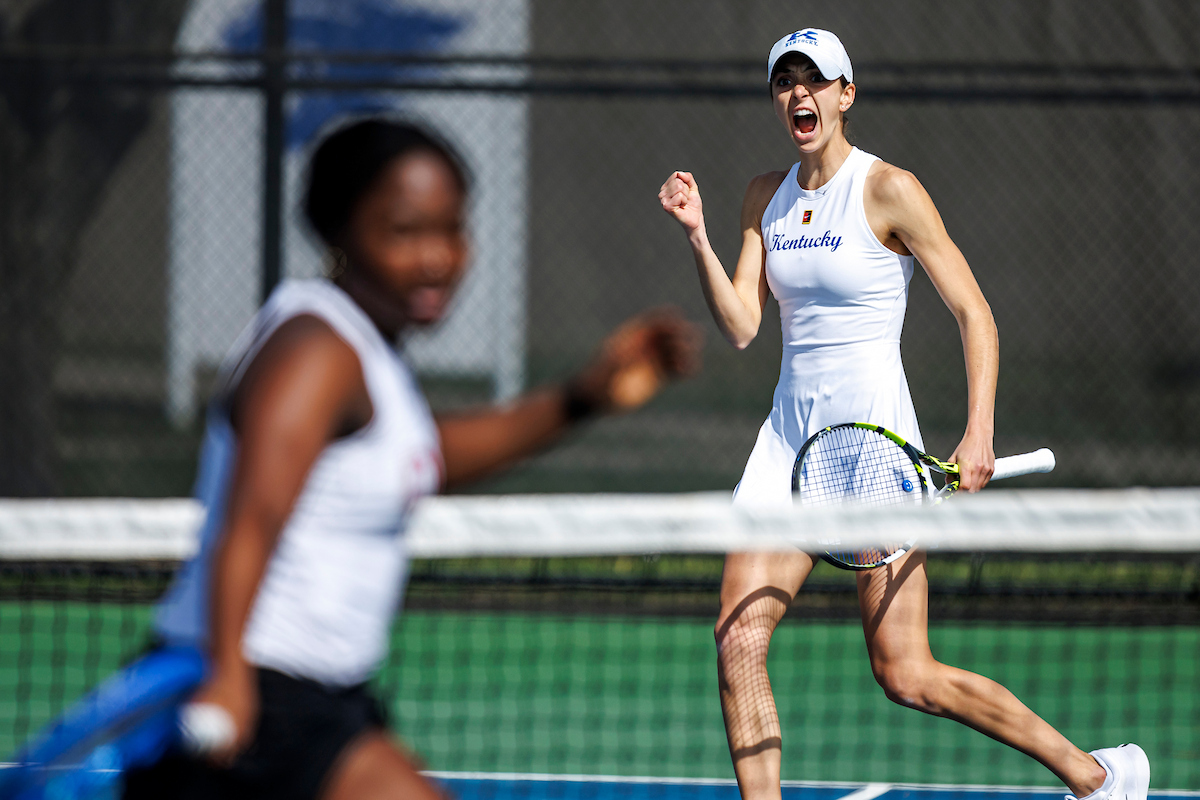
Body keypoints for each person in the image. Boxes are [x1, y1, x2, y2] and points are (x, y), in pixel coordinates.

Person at [124, 118, 700, 800]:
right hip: (259, 698)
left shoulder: (365, 351)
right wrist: (227, 675)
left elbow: (422, 458)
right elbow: (251, 519)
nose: (437, 257)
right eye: (405, 231)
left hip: (317, 699)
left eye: (452, 229)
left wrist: (581, 398)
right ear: (338, 232)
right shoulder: (315, 350)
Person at [658, 27, 1148, 800]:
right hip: (786, 449)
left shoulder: (890, 189)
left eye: (814, 80)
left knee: (906, 673)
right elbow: (743, 326)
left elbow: (975, 313)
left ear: (845, 94)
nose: (798, 94)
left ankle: (1097, 776)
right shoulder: (764, 196)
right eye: (785, 81)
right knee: (737, 639)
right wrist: (698, 237)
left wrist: (979, 430)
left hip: (875, 456)